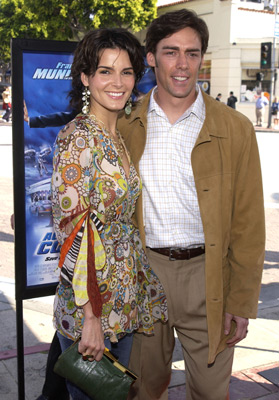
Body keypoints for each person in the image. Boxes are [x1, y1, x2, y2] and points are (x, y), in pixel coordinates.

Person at [117, 9, 265, 400]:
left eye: (192, 53)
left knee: (212, 393)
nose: (182, 65)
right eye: (170, 52)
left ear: (202, 57)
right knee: (143, 389)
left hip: (209, 277)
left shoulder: (235, 129)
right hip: (145, 276)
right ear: (150, 57)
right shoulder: (124, 124)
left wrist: (242, 300)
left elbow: (249, 223)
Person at [51, 27, 167, 400]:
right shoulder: (77, 138)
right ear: (86, 77)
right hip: (93, 308)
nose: (118, 82)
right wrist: (91, 318)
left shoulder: (115, 135)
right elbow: (72, 233)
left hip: (123, 303)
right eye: (105, 71)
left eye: (127, 71)